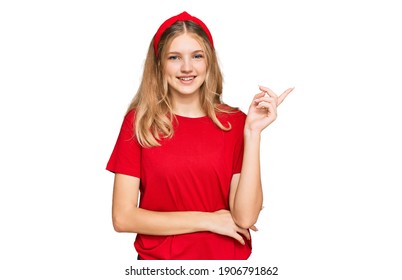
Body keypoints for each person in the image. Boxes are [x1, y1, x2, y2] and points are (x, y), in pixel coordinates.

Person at [106, 11, 293, 260]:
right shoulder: (139, 122)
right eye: (174, 57)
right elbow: (123, 217)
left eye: (196, 56)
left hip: (225, 266)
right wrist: (209, 221)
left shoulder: (236, 124)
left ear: (209, 62)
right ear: (160, 63)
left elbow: (245, 217)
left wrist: (253, 132)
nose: (187, 67)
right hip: (160, 266)